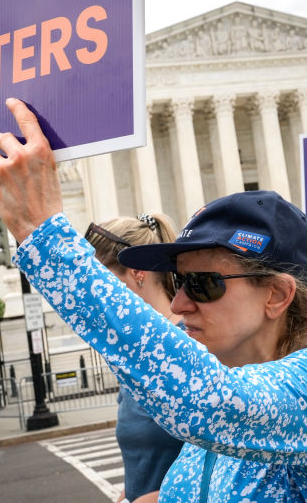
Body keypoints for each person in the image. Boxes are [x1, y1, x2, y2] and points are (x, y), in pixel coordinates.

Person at [0, 98, 307, 501]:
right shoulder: (210, 431)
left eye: (203, 284)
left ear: (276, 295)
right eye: (178, 281)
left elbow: (211, 400)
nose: (179, 304)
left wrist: (45, 234)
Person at [85, 213, 185, 503]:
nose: (95, 297)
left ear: (136, 271)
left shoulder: (187, 344)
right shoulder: (133, 350)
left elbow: (222, 462)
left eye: (102, 283)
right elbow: (147, 460)